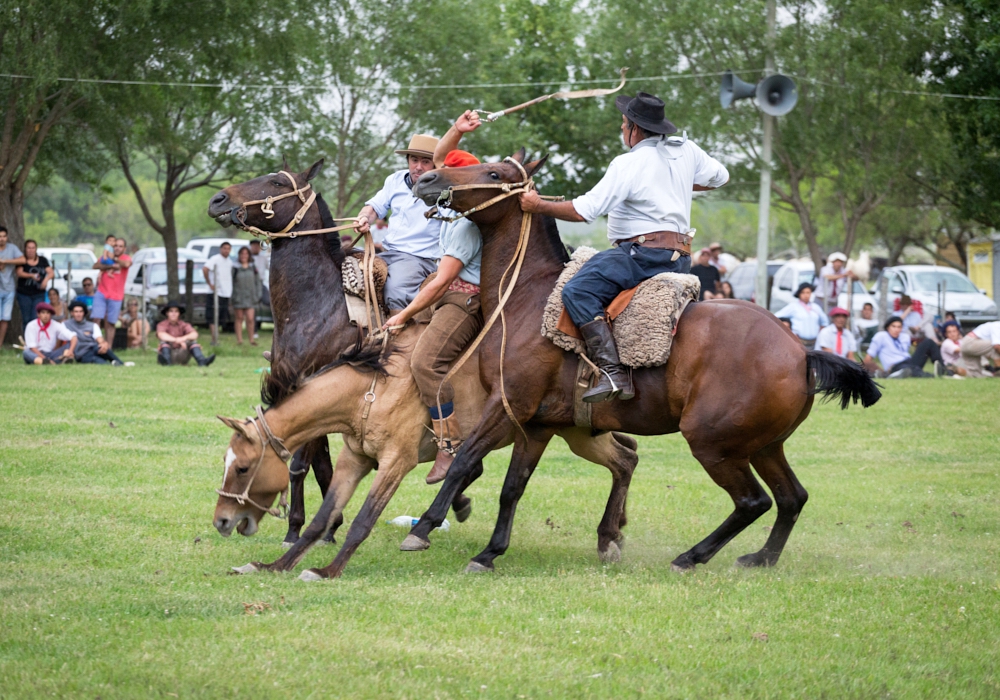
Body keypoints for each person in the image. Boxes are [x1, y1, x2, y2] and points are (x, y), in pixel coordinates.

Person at [519, 92, 729, 401]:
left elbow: (582, 211)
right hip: (680, 258)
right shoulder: (687, 150)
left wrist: (537, 205)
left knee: (577, 291)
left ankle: (612, 373)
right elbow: (721, 177)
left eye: (623, 124)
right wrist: (681, 182)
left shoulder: (628, 163)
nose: (621, 129)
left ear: (634, 128)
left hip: (642, 256)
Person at [382, 113, 487, 483]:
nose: (431, 178)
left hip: (463, 301)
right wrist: (457, 130)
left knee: (425, 363)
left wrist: (403, 313)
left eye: (442, 176)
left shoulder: (465, 225)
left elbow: (441, 283)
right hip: (449, 297)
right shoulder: (456, 212)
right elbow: (441, 154)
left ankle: (449, 446)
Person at [354, 133, 443, 313]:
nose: (418, 167)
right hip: (386, 253)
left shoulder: (444, 190)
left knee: (395, 291)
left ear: (436, 164)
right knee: (345, 266)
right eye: (414, 160)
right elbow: (374, 207)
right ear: (407, 160)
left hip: (418, 259)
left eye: (426, 161)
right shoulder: (395, 180)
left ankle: (398, 334)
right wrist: (363, 217)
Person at [864, 316, 943, 378]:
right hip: (895, 366)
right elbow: (867, 360)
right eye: (894, 326)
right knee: (910, 369)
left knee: (929, 342)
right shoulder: (881, 336)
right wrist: (882, 372)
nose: (896, 329)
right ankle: (931, 376)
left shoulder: (904, 337)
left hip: (909, 361)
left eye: (899, 327)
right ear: (888, 327)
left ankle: (943, 369)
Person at [91, 237, 132, 343]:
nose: (117, 248)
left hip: (116, 295)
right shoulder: (106, 257)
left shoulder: (126, 258)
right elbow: (95, 265)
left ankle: (108, 348)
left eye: (120, 246)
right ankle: (96, 345)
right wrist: (110, 265)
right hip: (102, 292)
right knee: (96, 319)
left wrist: (114, 258)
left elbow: (126, 264)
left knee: (110, 323)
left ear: (124, 249)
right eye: (115, 246)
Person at [155, 300, 215, 366]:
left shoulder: (184, 324)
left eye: (176, 311)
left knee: (192, 342)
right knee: (164, 342)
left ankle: (202, 361)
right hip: (169, 352)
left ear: (179, 313)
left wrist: (183, 338)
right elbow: (161, 335)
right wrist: (176, 340)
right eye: (171, 311)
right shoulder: (162, 324)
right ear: (167, 313)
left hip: (182, 353)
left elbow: (195, 334)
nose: (173, 313)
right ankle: (166, 362)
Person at [64, 300, 123, 365]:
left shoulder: (92, 325)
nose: (78, 314)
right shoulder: (65, 325)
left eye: (81, 311)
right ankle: (112, 364)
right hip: (81, 354)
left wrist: (103, 344)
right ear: (72, 313)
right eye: (76, 312)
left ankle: (121, 363)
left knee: (103, 347)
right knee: (97, 360)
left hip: (94, 348)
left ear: (84, 313)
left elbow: (99, 338)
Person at [774, 283, 829, 348]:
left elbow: (825, 322)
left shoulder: (816, 307)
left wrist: (819, 334)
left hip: (815, 343)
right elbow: (776, 316)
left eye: (808, 292)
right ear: (799, 294)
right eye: (803, 293)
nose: (806, 295)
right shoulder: (793, 307)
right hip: (798, 343)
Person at [15, 239, 53, 332]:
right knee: (26, 318)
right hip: (24, 293)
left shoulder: (43, 260)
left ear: (36, 249)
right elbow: (19, 273)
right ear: (25, 249)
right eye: (29, 248)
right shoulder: (22, 260)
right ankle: (27, 340)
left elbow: (51, 273)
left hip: (39, 293)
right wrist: (31, 275)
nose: (31, 250)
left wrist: (46, 280)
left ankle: (36, 339)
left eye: (33, 248)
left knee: (35, 317)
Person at [231, 246, 263, 345]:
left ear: (249, 255)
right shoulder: (235, 268)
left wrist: (258, 295)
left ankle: (251, 339)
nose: (244, 256)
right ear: (239, 255)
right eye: (242, 254)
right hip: (238, 297)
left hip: (251, 297)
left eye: (246, 254)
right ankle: (239, 340)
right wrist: (233, 297)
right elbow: (231, 283)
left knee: (250, 318)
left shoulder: (253, 267)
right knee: (239, 318)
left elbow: (258, 282)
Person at [0, 225, 25, 344]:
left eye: (4, 236)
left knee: (5, 318)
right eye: (0, 237)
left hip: (9, 288)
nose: (2, 239)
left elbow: (22, 260)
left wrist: (5, 261)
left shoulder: (12, 248)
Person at [203, 241, 233, 337]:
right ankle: (214, 336)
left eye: (228, 249)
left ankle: (217, 334)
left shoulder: (230, 262)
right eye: (224, 248)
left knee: (221, 315)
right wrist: (209, 283)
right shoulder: (215, 259)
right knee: (212, 315)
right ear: (220, 249)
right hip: (215, 292)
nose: (226, 250)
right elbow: (205, 269)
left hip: (226, 292)